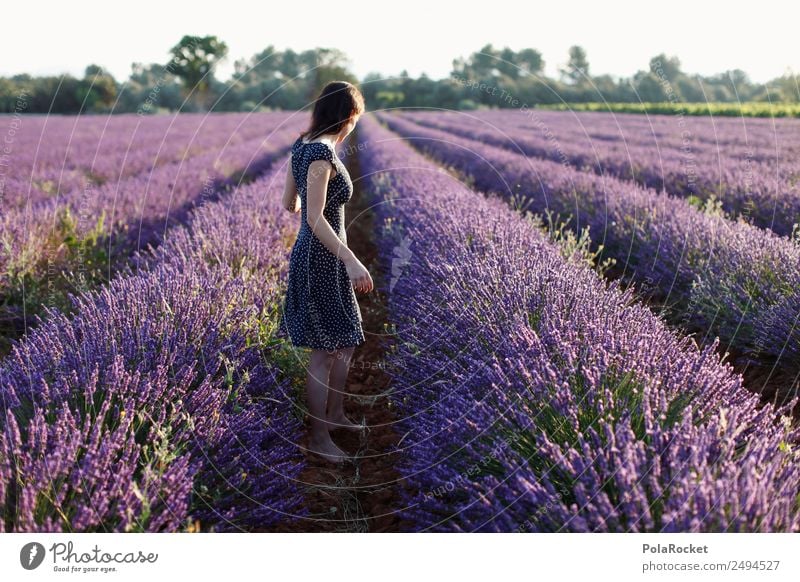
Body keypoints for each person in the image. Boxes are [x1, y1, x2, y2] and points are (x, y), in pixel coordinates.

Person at [279, 81, 373, 463]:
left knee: (346, 340)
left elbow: (290, 204)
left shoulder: (302, 147)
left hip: (321, 253)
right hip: (322, 258)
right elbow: (313, 216)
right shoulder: (320, 153)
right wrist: (350, 258)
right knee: (325, 350)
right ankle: (318, 437)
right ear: (348, 116)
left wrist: (309, 192)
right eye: (356, 119)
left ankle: (335, 415)